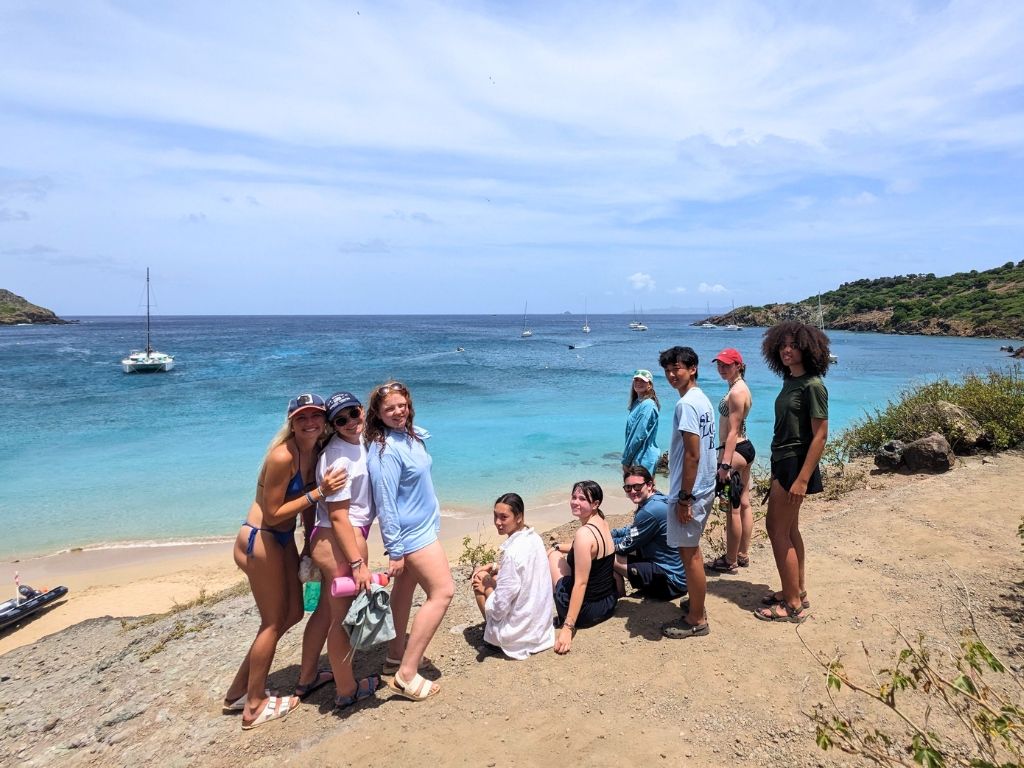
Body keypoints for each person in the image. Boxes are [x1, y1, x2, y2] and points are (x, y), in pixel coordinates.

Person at [224, 393, 347, 729]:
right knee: (273, 622)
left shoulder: (315, 452)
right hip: (260, 538)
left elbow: (305, 511)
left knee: (293, 613)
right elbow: (275, 511)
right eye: (302, 418)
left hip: (281, 539)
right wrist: (319, 492)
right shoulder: (282, 456)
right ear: (291, 422)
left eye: (316, 417)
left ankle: (237, 692)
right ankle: (253, 706)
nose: (310, 423)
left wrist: (309, 544)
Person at [365, 381, 454, 700]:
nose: (397, 412)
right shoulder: (385, 450)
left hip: (423, 527)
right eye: (389, 408)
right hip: (411, 534)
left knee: (404, 590)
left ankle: (393, 658)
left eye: (401, 405)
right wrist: (396, 550)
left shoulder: (409, 435)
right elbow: (385, 502)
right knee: (443, 592)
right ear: (377, 413)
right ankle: (406, 674)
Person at [307, 391, 382, 710]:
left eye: (354, 413)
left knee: (325, 612)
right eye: (341, 419)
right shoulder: (337, 458)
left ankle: (307, 677)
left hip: (334, 537)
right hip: (339, 538)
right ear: (333, 425)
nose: (351, 422)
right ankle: (347, 689)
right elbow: (338, 515)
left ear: (362, 411)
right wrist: (356, 563)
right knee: (341, 620)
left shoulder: (359, 441)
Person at [755, 322, 830, 623]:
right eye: (783, 344)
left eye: (794, 345)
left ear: (809, 348)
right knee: (790, 530)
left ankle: (792, 605)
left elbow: (821, 435)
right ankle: (797, 589)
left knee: (777, 530)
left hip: (794, 464)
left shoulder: (813, 385)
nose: (787, 349)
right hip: (782, 460)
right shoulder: (791, 381)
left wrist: (801, 479)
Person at [657, 347, 717, 640]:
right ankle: (696, 602)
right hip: (703, 485)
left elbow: (692, 455)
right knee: (691, 551)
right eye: (667, 370)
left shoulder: (687, 406)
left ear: (692, 368)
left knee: (689, 554)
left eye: (677, 368)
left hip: (691, 491)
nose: (671, 375)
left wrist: (684, 498)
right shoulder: (702, 399)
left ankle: (696, 618)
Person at [470, 493, 555, 659]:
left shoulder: (512, 553)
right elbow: (522, 570)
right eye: (495, 516)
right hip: (541, 626)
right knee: (493, 578)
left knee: (480, 578)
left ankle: (492, 640)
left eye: (503, 517)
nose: (497, 522)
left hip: (519, 635)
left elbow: (500, 607)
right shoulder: (534, 538)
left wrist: (487, 588)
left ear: (519, 517)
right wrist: (495, 567)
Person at [547, 481, 617, 654]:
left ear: (595, 504)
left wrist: (567, 628)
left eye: (582, 499)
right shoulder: (602, 522)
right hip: (608, 603)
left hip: (587, 613)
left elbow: (581, 584)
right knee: (556, 551)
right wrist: (559, 546)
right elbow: (586, 549)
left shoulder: (584, 534)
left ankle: (559, 614)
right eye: (574, 497)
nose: (575, 502)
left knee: (553, 557)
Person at [704, 348, 755, 574]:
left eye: (726, 364)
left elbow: (733, 431)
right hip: (746, 448)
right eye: (719, 364)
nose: (721, 368)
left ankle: (730, 560)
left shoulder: (736, 392)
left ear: (738, 365)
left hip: (734, 452)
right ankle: (743, 553)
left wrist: (725, 464)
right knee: (744, 502)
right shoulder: (740, 388)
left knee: (731, 509)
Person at [611, 466, 687, 600]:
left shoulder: (649, 511)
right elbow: (634, 530)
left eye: (637, 487)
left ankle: (620, 596)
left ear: (649, 485)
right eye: (628, 488)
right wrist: (610, 533)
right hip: (679, 575)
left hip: (670, 583)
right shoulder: (658, 499)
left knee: (606, 555)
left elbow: (625, 546)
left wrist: (599, 542)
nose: (633, 491)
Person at [621, 369, 661, 476]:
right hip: (638, 457)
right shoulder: (637, 403)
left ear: (649, 385)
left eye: (643, 381)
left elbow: (638, 436)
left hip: (643, 458)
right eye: (636, 380)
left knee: (642, 491)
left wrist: (626, 461)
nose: (638, 383)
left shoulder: (648, 405)